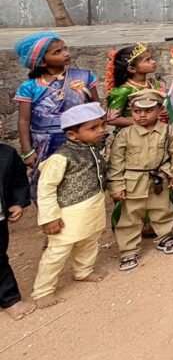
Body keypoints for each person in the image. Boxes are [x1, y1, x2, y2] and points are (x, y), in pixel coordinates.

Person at [31, 102, 108, 309]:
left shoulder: (93, 148)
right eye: (93, 128)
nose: (101, 130)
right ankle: (43, 290)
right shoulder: (60, 157)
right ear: (73, 135)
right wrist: (49, 217)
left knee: (90, 240)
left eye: (101, 125)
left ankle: (83, 271)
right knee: (58, 251)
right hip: (68, 213)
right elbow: (45, 188)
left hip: (92, 208)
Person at [13, 32, 99, 199]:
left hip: (80, 139)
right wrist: (27, 151)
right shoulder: (30, 87)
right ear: (42, 61)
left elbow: (96, 108)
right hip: (45, 144)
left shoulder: (84, 77)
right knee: (48, 182)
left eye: (65, 48)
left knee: (81, 179)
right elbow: (24, 120)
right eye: (57, 52)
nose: (66, 53)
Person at [107, 89, 173, 272]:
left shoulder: (167, 131)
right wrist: (116, 186)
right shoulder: (124, 135)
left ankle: (164, 236)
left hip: (159, 179)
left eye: (148, 110)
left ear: (159, 110)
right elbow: (115, 163)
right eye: (137, 111)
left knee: (162, 209)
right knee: (130, 216)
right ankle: (128, 250)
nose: (142, 115)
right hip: (133, 182)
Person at [0, 142, 32, 320]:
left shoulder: (7, 154)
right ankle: (9, 299)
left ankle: (10, 300)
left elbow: (18, 181)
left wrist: (17, 203)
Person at [105, 43, 162, 129]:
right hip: (131, 136)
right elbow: (111, 119)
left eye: (151, 59)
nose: (153, 62)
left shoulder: (154, 84)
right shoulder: (123, 91)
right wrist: (143, 120)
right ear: (132, 69)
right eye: (147, 60)